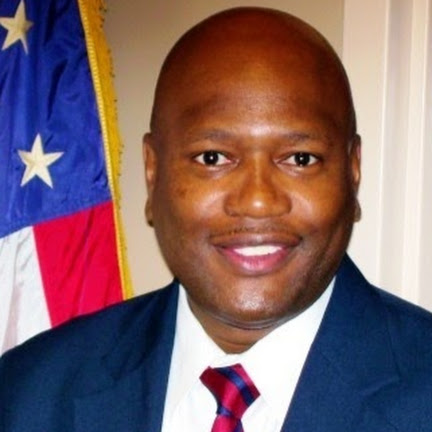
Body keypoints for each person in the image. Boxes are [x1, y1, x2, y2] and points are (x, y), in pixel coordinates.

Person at [1, 7, 432, 432]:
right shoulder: (25, 392)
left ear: (352, 172)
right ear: (153, 172)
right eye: (213, 158)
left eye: (301, 159)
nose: (258, 202)